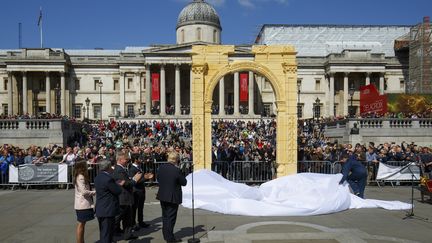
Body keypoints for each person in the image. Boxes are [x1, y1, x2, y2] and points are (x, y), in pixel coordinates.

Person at [157, 151, 187, 243]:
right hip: (172, 197)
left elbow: (158, 178)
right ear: (176, 160)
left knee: (165, 217)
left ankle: (166, 235)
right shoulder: (176, 170)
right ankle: (170, 238)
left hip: (162, 195)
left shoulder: (161, 167)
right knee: (171, 218)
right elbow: (184, 182)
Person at [112, 151, 142, 240]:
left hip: (126, 197)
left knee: (127, 218)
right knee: (118, 218)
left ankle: (127, 234)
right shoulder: (119, 170)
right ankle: (111, 234)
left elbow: (126, 181)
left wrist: (132, 179)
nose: (127, 161)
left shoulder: (120, 169)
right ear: (120, 160)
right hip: (123, 197)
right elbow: (126, 184)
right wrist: (135, 180)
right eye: (126, 159)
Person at [94, 159, 123, 243]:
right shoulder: (108, 179)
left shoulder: (97, 177)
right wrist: (118, 185)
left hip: (101, 208)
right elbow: (117, 191)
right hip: (108, 209)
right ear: (108, 167)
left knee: (104, 232)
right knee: (107, 233)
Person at [129, 153, 153, 230]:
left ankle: (141, 221)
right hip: (136, 191)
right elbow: (135, 181)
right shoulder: (132, 169)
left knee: (140, 207)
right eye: (139, 158)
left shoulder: (139, 167)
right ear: (135, 159)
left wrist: (145, 176)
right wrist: (146, 178)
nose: (141, 159)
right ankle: (132, 224)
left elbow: (141, 178)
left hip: (141, 190)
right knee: (134, 208)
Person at [73, 160, 96, 243]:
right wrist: (94, 192)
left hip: (81, 204)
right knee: (81, 224)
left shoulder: (80, 176)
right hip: (82, 204)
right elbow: (84, 192)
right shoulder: (80, 177)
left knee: (82, 224)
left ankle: (81, 241)